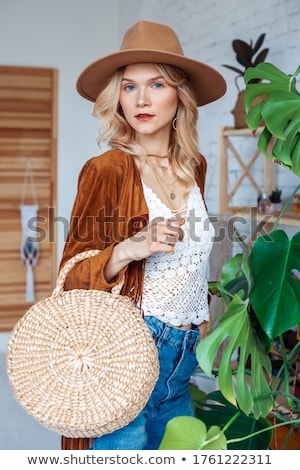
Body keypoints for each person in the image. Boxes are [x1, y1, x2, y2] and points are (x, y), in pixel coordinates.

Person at [59, 20, 226, 450]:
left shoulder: (196, 166)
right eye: (129, 87)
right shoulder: (107, 170)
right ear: (117, 97)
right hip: (129, 351)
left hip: (184, 356)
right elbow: (72, 278)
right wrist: (130, 248)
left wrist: (201, 315)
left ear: (180, 94)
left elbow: (191, 258)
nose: (142, 100)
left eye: (156, 84)